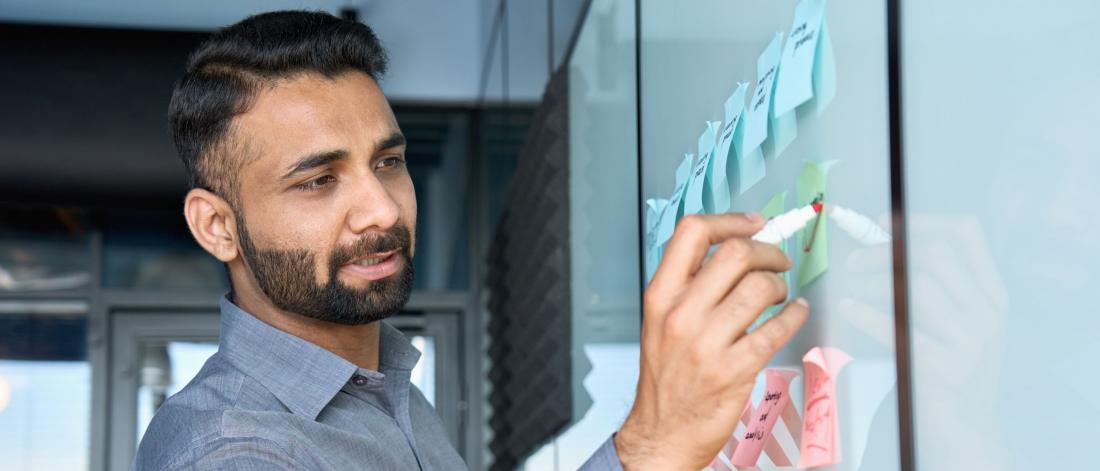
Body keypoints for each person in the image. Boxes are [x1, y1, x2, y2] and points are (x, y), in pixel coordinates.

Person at [134, 10, 808, 470]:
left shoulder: (386, 390)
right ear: (216, 225)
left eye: (389, 161)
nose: (380, 208)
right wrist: (653, 442)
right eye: (318, 181)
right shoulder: (233, 451)